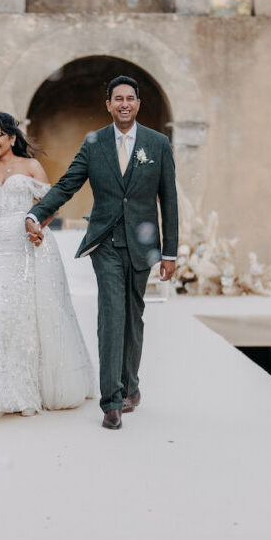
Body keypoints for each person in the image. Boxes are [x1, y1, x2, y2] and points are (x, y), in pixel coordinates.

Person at [26, 75, 178, 430]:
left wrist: (169, 252)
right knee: (111, 314)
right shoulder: (94, 144)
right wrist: (36, 214)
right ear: (108, 105)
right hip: (105, 242)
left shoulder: (157, 144)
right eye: (117, 99)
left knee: (133, 316)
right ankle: (111, 401)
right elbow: (68, 183)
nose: (124, 104)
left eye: (130, 98)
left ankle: (131, 386)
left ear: (138, 104)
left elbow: (168, 200)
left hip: (142, 245)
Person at [0, 112, 94, 421]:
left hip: (28, 249)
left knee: (25, 319)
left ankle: (24, 392)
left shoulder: (31, 166)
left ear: (12, 137)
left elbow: (48, 206)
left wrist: (38, 227)